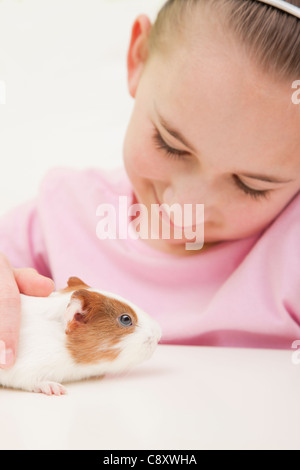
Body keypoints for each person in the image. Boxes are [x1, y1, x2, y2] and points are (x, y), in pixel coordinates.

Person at [0, 0, 300, 369]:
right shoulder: (59, 217)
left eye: (251, 185)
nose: (184, 205)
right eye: (170, 144)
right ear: (138, 58)